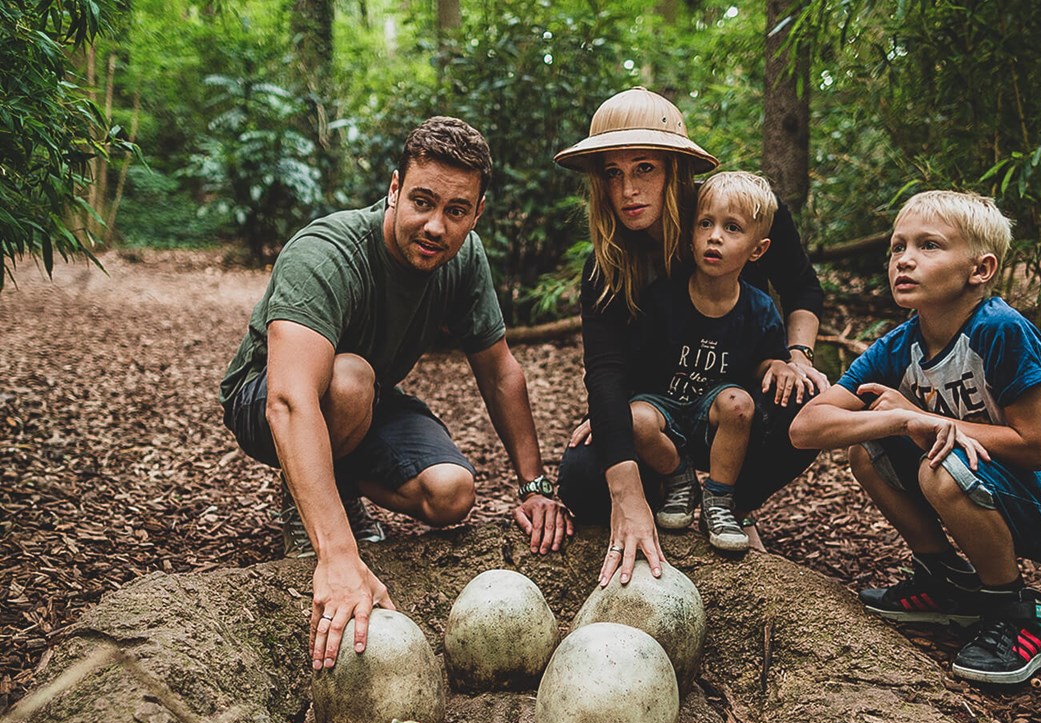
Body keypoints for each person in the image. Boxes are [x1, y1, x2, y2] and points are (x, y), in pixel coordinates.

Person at [220, 116, 572, 671]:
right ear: (393, 189)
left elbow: (501, 372)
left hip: (365, 399)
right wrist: (338, 557)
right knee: (350, 377)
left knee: (451, 493)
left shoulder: (465, 259)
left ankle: (330, 485)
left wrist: (534, 486)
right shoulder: (327, 252)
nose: (435, 226)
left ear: (476, 214)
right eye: (422, 202)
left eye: (456, 211)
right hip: (268, 396)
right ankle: (309, 501)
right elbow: (288, 401)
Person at [790, 190, 1041, 684]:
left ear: (980, 269)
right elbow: (805, 428)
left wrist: (923, 415)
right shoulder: (900, 344)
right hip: (1000, 487)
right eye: (897, 247)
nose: (905, 260)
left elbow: (1036, 445)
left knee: (942, 463)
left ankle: (1015, 614)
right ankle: (947, 583)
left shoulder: (1000, 331)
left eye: (929, 246)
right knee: (867, 447)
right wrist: (903, 421)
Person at [553, 87, 829, 586]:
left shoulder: (738, 211)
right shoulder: (608, 263)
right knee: (579, 476)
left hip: (736, 397)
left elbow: (802, 287)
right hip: (656, 403)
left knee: (805, 399)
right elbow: (606, 370)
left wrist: (797, 357)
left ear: (674, 168)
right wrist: (614, 428)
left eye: (644, 169)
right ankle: (671, 489)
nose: (628, 190)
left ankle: (730, 505)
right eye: (612, 174)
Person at [626, 171, 803, 553]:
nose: (715, 236)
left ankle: (719, 501)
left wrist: (776, 364)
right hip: (663, 404)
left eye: (732, 228)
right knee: (635, 419)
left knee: (740, 403)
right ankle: (679, 480)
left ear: (758, 250)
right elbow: (632, 359)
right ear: (690, 235)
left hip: (715, 408)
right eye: (705, 224)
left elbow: (761, 359)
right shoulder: (662, 298)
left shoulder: (759, 309)